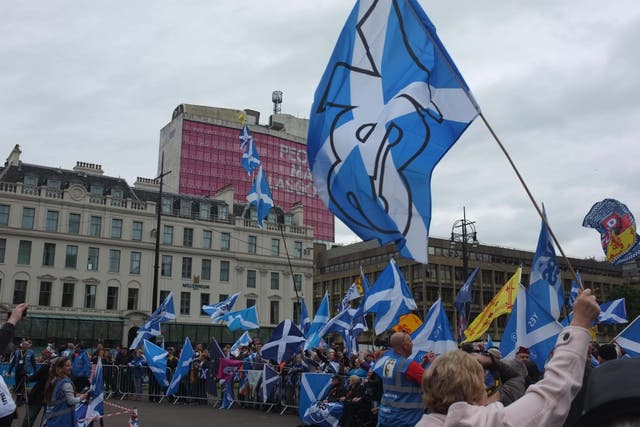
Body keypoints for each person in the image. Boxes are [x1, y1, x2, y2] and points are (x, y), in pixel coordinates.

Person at [416, 288, 601, 427]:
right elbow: (554, 393)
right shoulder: (488, 423)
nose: (486, 388)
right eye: (483, 383)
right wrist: (580, 323)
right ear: (473, 390)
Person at [376, 332, 425, 427]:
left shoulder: (386, 362)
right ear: (405, 346)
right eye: (410, 341)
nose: (412, 343)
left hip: (386, 417)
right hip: (406, 420)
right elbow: (433, 383)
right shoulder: (410, 365)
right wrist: (434, 363)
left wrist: (421, 366)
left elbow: (403, 378)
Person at [44, 357, 88, 427]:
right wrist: (81, 397)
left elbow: (61, 396)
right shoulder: (66, 383)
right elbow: (71, 401)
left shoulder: (54, 379)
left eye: (71, 365)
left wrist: (76, 395)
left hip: (54, 415)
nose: (71, 367)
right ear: (60, 368)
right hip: (63, 419)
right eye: (67, 366)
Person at [9, 339, 36, 404]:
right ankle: (20, 399)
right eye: (24, 344)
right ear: (22, 345)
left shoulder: (31, 353)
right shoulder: (17, 352)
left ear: (28, 346)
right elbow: (13, 362)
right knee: (17, 385)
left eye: (26, 345)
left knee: (23, 385)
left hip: (25, 372)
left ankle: (20, 399)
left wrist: (36, 372)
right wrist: (9, 371)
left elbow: (33, 363)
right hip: (17, 371)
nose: (25, 346)